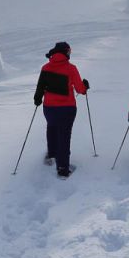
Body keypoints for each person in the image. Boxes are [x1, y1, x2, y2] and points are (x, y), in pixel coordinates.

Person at [34, 41, 89, 178]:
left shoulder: (45, 67)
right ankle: (63, 168)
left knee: (52, 128)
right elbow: (80, 89)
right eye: (69, 51)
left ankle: (52, 154)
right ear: (65, 52)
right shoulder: (71, 68)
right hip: (67, 108)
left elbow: (40, 87)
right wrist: (85, 86)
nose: (70, 54)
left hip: (49, 108)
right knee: (64, 136)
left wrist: (37, 99)